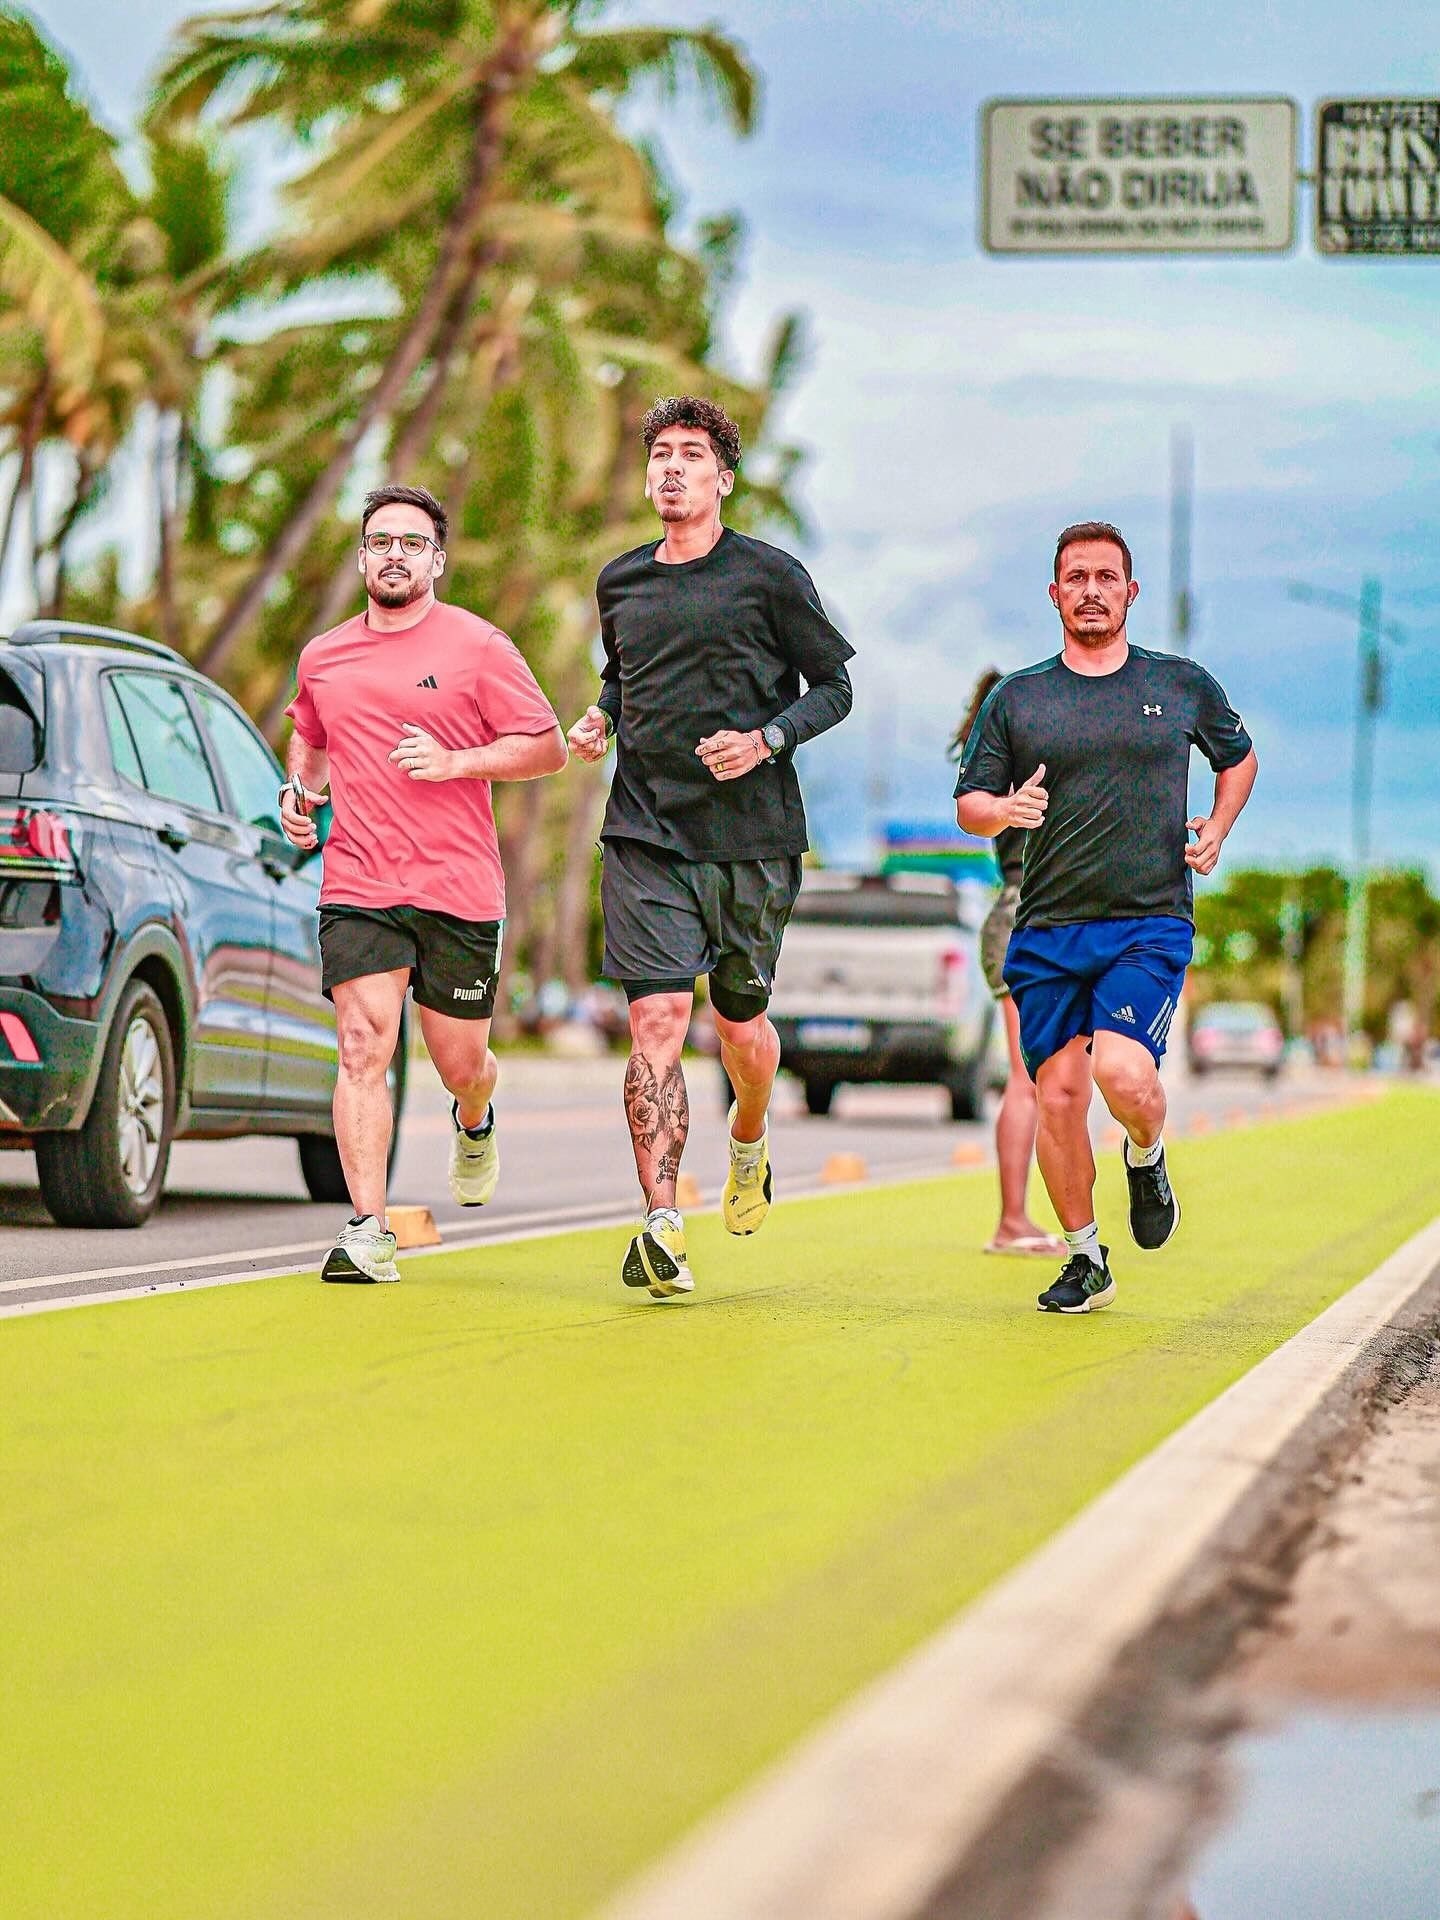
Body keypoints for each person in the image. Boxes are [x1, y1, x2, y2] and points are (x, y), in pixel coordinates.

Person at [567, 396, 854, 1299]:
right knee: (656, 1021)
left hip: (752, 841)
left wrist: (767, 740)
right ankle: (661, 1222)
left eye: (691, 454)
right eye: (660, 452)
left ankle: (749, 1137)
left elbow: (835, 688)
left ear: (723, 479)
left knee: (741, 1030)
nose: (672, 467)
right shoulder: (621, 582)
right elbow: (625, 676)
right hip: (645, 831)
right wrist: (600, 717)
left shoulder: (770, 576)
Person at [955, 521, 1257, 1314]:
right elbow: (970, 804)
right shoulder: (1018, 698)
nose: (1091, 590)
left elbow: (1238, 758)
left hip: (1147, 920)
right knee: (1057, 1096)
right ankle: (1086, 1258)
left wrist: (1218, 827)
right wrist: (1003, 810)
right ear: (1055, 594)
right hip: (1047, 929)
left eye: (1106, 577)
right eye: (1077, 578)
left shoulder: (1180, 683)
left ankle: (1146, 1153)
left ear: (1131, 592)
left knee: (1121, 1073)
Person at [280, 483, 567, 1283]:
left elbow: (546, 746)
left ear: (437, 560)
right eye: (381, 541)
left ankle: (474, 1118)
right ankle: (368, 1229)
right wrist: (299, 795)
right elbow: (311, 739)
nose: (395, 554)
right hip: (359, 882)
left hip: (457, 889)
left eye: (412, 542)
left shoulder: (479, 646)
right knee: (361, 1045)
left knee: (460, 1063)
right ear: (362, 557)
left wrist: (455, 761)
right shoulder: (324, 655)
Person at [950, 669, 1064, 1260]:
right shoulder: (1035, 763)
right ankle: (1012, 1220)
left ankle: (1019, 1217)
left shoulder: (994, 772)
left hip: (1008, 913)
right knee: (1032, 1081)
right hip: (1031, 915)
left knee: (1035, 1080)